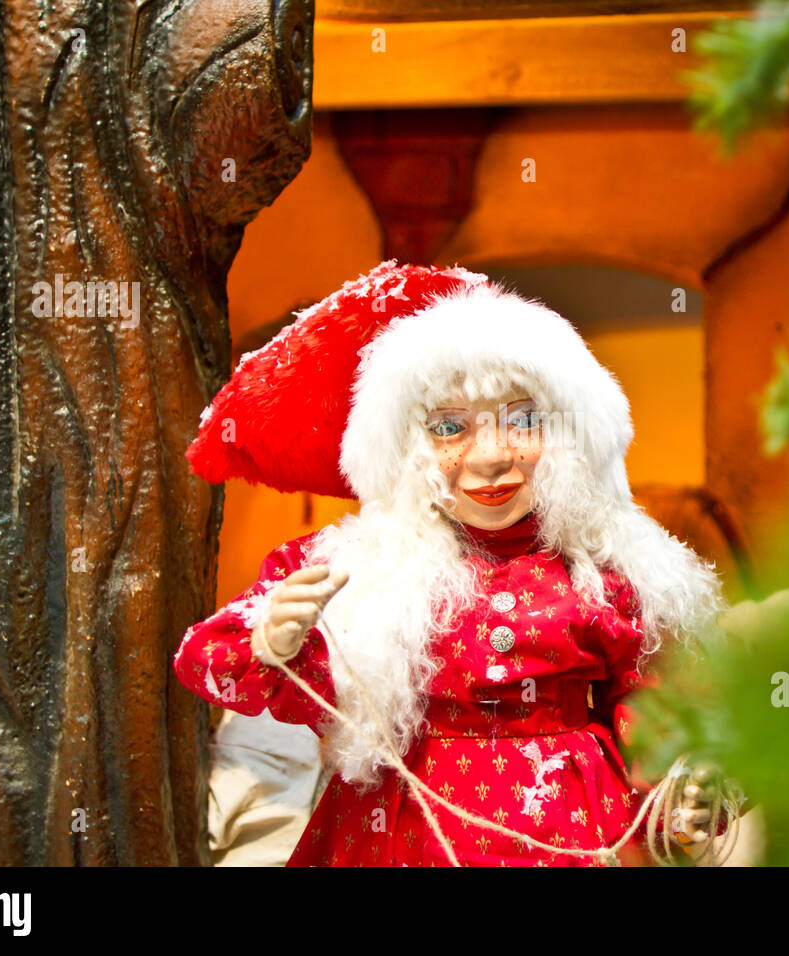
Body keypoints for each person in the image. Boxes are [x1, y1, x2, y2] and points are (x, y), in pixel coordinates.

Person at [174, 261, 731, 865]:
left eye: (522, 421)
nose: (490, 456)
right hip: (398, 834)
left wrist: (683, 795)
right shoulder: (362, 565)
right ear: (406, 444)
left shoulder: (608, 568)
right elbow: (206, 663)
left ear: (571, 435)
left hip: (567, 830)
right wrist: (273, 639)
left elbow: (657, 708)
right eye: (448, 427)